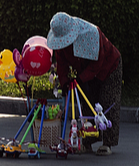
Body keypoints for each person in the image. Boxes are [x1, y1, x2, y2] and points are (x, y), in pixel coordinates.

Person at [48, 12, 122, 154]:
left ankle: (108, 143)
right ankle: (87, 142)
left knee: (106, 103)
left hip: (108, 65)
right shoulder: (61, 44)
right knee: (86, 102)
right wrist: (64, 84)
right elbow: (62, 65)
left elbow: (98, 62)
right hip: (86, 70)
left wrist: (82, 79)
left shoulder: (91, 33)